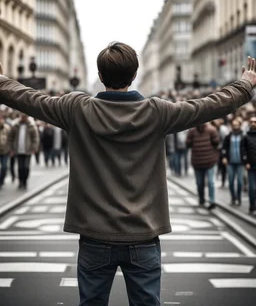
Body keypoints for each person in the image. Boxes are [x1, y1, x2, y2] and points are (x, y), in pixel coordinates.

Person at [0, 44, 255, 306]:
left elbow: (30, 99)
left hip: (94, 235)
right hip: (142, 234)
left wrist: (2, 82)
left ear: (100, 76)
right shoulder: (156, 112)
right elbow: (207, 106)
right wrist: (245, 85)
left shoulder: (77, 109)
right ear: (134, 75)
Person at [186, 122, 219, 210]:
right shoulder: (193, 131)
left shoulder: (210, 130)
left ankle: (210, 201)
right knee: (202, 183)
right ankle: (203, 199)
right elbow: (216, 143)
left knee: (209, 182)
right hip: (200, 162)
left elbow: (188, 144)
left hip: (208, 161)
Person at [8, 114, 39, 189]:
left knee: (26, 167)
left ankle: (25, 181)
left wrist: (33, 148)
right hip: (18, 150)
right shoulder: (15, 126)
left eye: (24, 117)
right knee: (20, 167)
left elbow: (35, 138)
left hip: (27, 150)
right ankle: (20, 181)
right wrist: (11, 149)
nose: (23, 118)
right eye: (22, 117)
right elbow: (10, 138)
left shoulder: (31, 126)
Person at [221, 118, 246, 206]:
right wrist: (224, 157)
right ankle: (233, 197)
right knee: (231, 181)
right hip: (230, 162)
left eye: (237, 125)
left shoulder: (243, 136)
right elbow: (224, 147)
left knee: (239, 182)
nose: (235, 126)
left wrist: (246, 160)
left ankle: (238, 197)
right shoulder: (228, 136)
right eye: (234, 125)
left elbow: (246, 148)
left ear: (239, 125)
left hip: (240, 162)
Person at [243, 116, 256, 214]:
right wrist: (246, 162)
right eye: (251, 122)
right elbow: (243, 150)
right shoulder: (246, 137)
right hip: (251, 166)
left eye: (255, 122)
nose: (253, 123)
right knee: (252, 187)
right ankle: (252, 205)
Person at [0, 114, 11, 188]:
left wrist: (10, 149)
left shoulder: (7, 128)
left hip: (5, 151)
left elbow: (10, 139)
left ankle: (2, 180)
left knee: (4, 167)